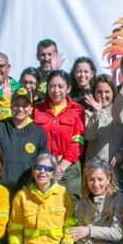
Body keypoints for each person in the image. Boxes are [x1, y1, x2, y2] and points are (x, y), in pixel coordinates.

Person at [33, 70, 86, 200]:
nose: (56, 90)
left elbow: (77, 142)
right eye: (52, 86)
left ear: (68, 88)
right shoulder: (37, 109)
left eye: (60, 86)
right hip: (43, 166)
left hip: (69, 166)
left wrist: (61, 167)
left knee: (70, 203)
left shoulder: (77, 110)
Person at [0, 87, 48, 192]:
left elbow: (43, 161)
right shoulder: (0, 126)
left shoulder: (38, 131)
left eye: (25, 105)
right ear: (11, 106)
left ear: (31, 108)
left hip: (26, 190)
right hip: (0, 188)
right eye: (16, 105)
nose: (20, 109)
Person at [82, 74, 123, 170]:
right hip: (95, 171)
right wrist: (96, 113)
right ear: (94, 93)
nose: (103, 96)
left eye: (107, 92)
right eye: (99, 92)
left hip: (117, 171)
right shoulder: (87, 113)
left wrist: (122, 152)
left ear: (113, 92)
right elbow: (89, 136)